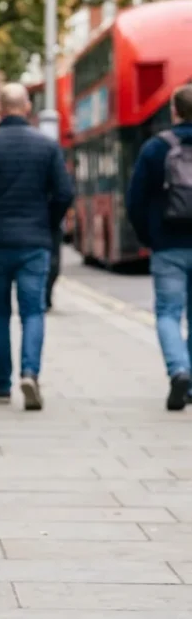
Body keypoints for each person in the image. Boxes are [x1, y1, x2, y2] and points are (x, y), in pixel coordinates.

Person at [0, 83, 73, 410]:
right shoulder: (47, 147)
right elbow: (64, 193)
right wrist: (48, 224)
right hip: (34, 242)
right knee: (33, 310)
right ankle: (30, 372)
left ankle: (2, 385)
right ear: (27, 108)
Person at [127, 83, 192, 410]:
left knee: (167, 312)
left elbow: (135, 200)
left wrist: (148, 237)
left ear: (174, 111)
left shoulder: (156, 148)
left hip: (167, 244)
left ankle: (179, 369)